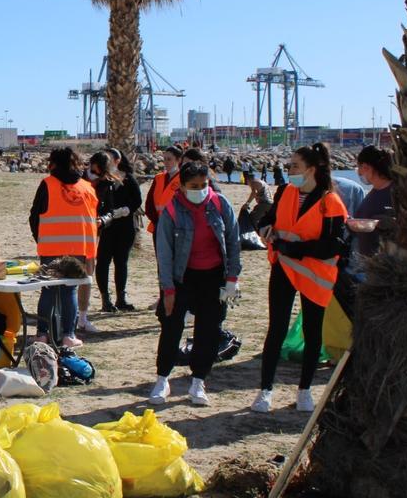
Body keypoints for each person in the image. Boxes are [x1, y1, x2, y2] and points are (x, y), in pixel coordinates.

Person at [252, 143, 349, 413]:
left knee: (313, 331)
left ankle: (304, 390)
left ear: (312, 169)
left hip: (314, 275)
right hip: (283, 268)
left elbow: (334, 245)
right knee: (277, 328)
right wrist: (265, 229)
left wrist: (295, 249)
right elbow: (266, 218)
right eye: (289, 165)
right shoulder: (285, 192)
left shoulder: (330, 202)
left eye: (295, 165)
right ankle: (265, 390)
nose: (289, 169)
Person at [151, 160, 242, 406]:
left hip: (213, 277)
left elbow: (233, 242)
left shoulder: (220, 204)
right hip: (183, 278)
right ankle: (162, 379)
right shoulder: (171, 211)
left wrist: (232, 278)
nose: (200, 190)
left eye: (204, 184)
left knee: (208, 330)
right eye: (193, 185)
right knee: (171, 326)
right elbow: (164, 253)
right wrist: (168, 289)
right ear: (181, 186)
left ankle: (198, 382)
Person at [28, 147, 98, 348]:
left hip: (51, 246)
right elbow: (92, 220)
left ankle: (42, 334)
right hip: (78, 248)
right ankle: (68, 335)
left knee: (48, 290)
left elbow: (35, 216)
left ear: (53, 163)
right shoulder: (87, 187)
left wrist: (40, 238)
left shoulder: (48, 184)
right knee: (70, 291)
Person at [86, 150, 142, 316]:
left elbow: (137, 200)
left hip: (125, 226)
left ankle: (121, 298)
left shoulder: (128, 178)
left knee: (121, 262)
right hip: (106, 227)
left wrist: (126, 210)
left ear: (117, 160)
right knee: (103, 261)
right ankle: (105, 299)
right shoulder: (101, 180)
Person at [348, 146, 394, 275]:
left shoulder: (394, 191)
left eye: (360, 168)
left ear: (367, 167)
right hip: (368, 265)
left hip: (386, 267)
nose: (359, 173)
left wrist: (383, 223)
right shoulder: (374, 190)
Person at [144, 146, 183, 238]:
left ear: (179, 160)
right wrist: (156, 221)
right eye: (164, 159)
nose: (166, 162)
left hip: (176, 226)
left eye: (169, 159)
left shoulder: (184, 179)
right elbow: (149, 202)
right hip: (157, 224)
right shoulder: (158, 178)